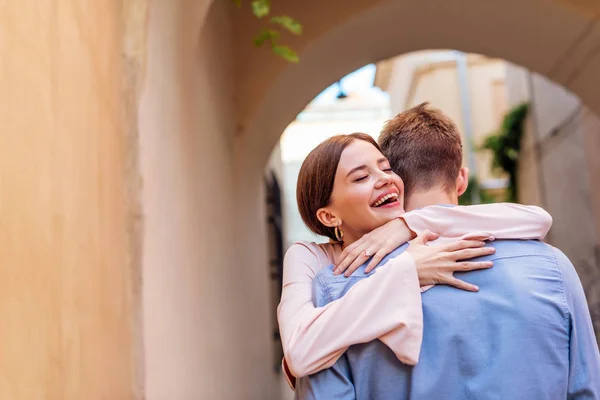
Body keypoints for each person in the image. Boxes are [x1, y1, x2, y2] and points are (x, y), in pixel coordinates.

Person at [296, 103, 600, 399]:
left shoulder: (335, 289)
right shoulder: (552, 266)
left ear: (398, 178)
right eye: (362, 176)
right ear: (462, 179)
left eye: (384, 168)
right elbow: (586, 390)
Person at [278, 131, 552, 388]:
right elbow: (299, 353)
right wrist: (408, 272)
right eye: (361, 177)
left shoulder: (421, 234)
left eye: (385, 168)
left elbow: (537, 220)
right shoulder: (311, 257)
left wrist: (409, 223)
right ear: (329, 216)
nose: (386, 179)